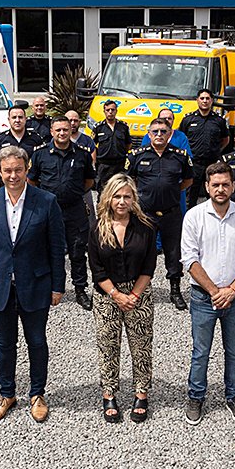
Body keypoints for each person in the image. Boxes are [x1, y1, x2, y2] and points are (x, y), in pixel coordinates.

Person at [0, 145, 66, 423]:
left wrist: (58, 286)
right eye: (7, 170)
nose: (13, 175)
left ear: (27, 170)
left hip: (35, 284)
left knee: (36, 341)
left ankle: (37, 394)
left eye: (18, 169)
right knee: (5, 343)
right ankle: (7, 394)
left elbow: (56, 247)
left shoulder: (46, 201)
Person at [181, 162, 235, 426]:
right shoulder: (193, 216)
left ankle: (234, 396)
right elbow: (190, 259)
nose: (220, 189)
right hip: (204, 297)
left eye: (225, 184)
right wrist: (216, 291)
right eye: (215, 184)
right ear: (206, 186)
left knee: (234, 351)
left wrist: (233, 289)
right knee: (200, 351)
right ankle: (196, 397)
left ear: (233, 186)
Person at [86, 173, 158, 424]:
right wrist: (116, 295)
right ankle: (109, 394)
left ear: (134, 199)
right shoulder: (96, 227)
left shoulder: (146, 226)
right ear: (108, 197)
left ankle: (141, 392)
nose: (121, 201)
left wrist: (134, 295)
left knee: (141, 346)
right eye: (117, 196)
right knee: (108, 346)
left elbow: (149, 266)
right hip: (108, 295)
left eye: (127, 196)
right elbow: (96, 269)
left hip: (139, 293)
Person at [29, 116, 96, 307]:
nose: (62, 133)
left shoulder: (82, 154)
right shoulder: (40, 154)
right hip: (48, 211)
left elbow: (89, 182)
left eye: (65, 130)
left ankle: (80, 289)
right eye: (58, 130)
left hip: (74, 210)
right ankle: (50, 288)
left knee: (77, 252)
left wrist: (72, 193)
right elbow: (32, 181)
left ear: (71, 130)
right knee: (47, 250)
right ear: (51, 131)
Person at [128, 118, 195, 310]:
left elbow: (188, 180)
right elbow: (129, 178)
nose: (159, 135)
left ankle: (175, 290)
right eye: (155, 131)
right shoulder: (136, 155)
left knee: (173, 253)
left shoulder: (179, 156)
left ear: (169, 134)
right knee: (140, 251)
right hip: (145, 214)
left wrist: (171, 191)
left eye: (163, 131)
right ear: (149, 134)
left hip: (171, 213)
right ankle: (139, 290)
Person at [183, 89, 232, 205]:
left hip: (212, 164)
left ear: (212, 101)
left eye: (207, 98)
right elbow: (182, 139)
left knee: (213, 195)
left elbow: (226, 139)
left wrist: (216, 150)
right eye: (202, 98)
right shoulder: (188, 120)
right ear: (197, 100)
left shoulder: (219, 120)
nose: (205, 101)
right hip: (193, 164)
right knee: (190, 198)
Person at [92, 99, 132, 183]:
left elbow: (128, 144)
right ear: (104, 111)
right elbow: (92, 146)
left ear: (116, 111)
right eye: (108, 110)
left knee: (118, 188)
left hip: (119, 164)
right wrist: (94, 163)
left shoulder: (123, 127)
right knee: (102, 190)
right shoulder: (98, 127)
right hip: (103, 165)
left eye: (112, 110)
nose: (110, 112)